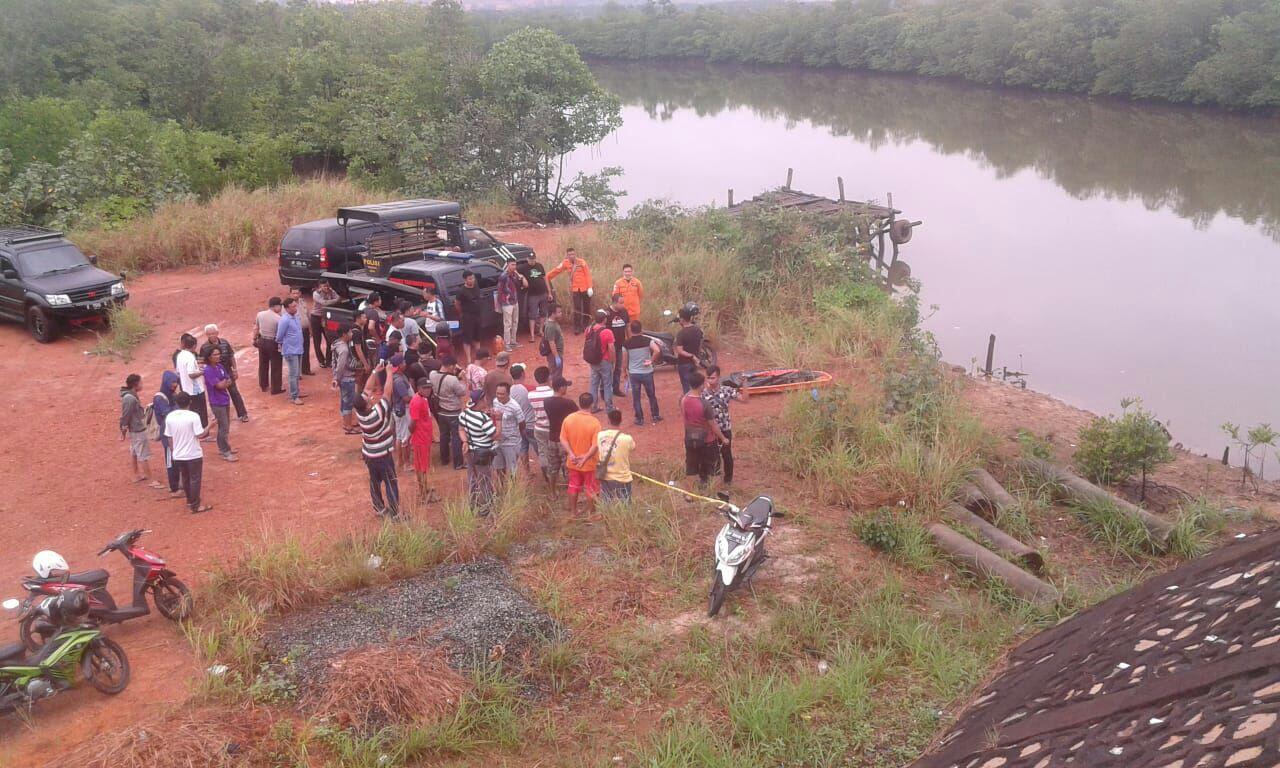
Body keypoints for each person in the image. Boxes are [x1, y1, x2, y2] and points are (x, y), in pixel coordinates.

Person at [355, 359, 400, 518]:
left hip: (369, 454)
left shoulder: (360, 413)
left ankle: (379, 509)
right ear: (367, 405)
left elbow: (367, 389)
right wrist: (388, 373)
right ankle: (395, 514)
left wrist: (375, 371)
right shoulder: (377, 413)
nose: (370, 396)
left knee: (374, 482)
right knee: (390, 482)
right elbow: (387, 393)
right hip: (382, 454)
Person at [165, 392, 212, 514]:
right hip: (193, 454)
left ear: (176, 403)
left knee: (185, 478)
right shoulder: (193, 416)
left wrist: (173, 450)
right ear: (189, 402)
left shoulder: (170, 417)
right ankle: (195, 506)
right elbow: (200, 434)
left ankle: (190, 501)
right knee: (195, 479)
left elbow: (169, 437)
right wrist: (210, 426)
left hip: (178, 454)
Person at [703, 365, 747, 486]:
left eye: (712, 378)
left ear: (718, 377)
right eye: (708, 378)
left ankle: (728, 480)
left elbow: (744, 399)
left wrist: (745, 384)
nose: (710, 381)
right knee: (713, 455)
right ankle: (714, 478)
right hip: (710, 430)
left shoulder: (726, 390)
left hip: (725, 428)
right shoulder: (703, 394)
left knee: (726, 455)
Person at [682, 370, 726, 489]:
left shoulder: (684, 400)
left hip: (690, 439)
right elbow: (713, 425)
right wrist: (723, 438)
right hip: (708, 440)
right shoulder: (705, 404)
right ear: (701, 385)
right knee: (715, 468)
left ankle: (689, 495)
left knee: (691, 468)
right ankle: (716, 495)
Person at [560, 392, 601, 517]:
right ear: (592, 404)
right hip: (589, 464)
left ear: (579, 403)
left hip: (573, 462)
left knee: (573, 486)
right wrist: (585, 458)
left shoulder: (568, 419)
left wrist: (571, 454)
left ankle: (573, 512)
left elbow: (563, 439)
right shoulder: (595, 423)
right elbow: (595, 445)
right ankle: (591, 513)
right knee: (591, 488)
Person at [119, 373, 161, 489]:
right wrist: (122, 431)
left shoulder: (129, 397)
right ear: (135, 384)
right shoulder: (130, 399)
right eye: (141, 382)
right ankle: (151, 479)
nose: (142, 385)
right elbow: (125, 416)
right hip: (137, 430)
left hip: (134, 429)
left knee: (134, 451)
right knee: (143, 454)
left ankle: (136, 474)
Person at [459, 393, 497, 515]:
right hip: (483, 452)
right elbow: (496, 435)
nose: (486, 400)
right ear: (480, 401)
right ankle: (486, 507)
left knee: (472, 477)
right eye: (484, 399)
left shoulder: (464, 414)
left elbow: (461, 429)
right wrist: (499, 421)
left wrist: (465, 441)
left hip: (470, 450)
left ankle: (473, 504)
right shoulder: (483, 419)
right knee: (485, 479)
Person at [200, 325, 248, 422]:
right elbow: (202, 361)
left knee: (234, 392)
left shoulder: (225, 343)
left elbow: (231, 357)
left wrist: (235, 370)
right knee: (215, 395)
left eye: (213, 333)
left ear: (217, 333)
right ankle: (218, 415)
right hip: (214, 374)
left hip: (227, 372)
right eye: (209, 334)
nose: (211, 336)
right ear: (206, 335)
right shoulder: (204, 347)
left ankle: (243, 414)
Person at [429, 355, 468, 470]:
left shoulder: (432, 374)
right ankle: (458, 463)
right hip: (454, 412)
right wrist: (461, 379)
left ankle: (444, 459)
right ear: (451, 366)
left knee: (444, 435)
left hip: (441, 411)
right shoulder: (453, 380)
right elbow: (462, 392)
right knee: (456, 437)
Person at [622, 320, 662, 425]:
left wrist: (624, 371)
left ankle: (639, 418)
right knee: (651, 395)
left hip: (634, 373)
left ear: (631, 330)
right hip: (647, 372)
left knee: (636, 397)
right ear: (641, 329)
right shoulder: (648, 340)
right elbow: (657, 350)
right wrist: (651, 361)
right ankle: (655, 415)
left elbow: (624, 359)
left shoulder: (626, 344)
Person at [202, 347, 238, 462]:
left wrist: (224, 382)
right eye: (215, 354)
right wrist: (224, 382)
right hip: (216, 402)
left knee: (225, 426)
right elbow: (220, 385)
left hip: (224, 400)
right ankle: (225, 451)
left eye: (218, 354)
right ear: (209, 357)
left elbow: (229, 380)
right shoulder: (208, 370)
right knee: (224, 427)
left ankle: (223, 447)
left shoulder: (220, 366)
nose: (218, 356)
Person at [542, 376, 577, 495]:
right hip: (565, 440)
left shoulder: (546, 402)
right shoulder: (568, 403)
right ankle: (571, 494)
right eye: (565, 386)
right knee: (568, 468)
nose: (566, 388)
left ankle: (552, 493)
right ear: (561, 388)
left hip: (552, 438)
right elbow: (576, 417)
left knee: (553, 468)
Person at [546, 247, 593, 333]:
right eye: (569, 254)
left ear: (575, 254)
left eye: (573, 254)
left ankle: (585, 326)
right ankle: (577, 327)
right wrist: (546, 276)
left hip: (585, 288)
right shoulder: (565, 263)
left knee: (587, 308)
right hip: (575, 289)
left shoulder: (582, 262)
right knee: (577, 308)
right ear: (567, 255)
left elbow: (588, 274)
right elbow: (556, 271)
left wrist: (590, 287)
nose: (572, 256)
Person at [408, 377, 439, 502]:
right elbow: (413, 422)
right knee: (422, 467)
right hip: (420, 439)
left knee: (423, 466)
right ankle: (423, 493)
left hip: (424, 438)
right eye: (425, 388)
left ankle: (425, 490)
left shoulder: (423, 399)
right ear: (418, 388)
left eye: (429, 387)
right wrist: (412, 435)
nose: (428, 390)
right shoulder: (417, 401)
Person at [153, 370, 182, 497]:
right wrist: (179, 406)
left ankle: (177, 483)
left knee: (177, 458)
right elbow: (168, 413)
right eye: (172, 382)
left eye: (176, 382)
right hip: (167, 434)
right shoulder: (160, 398)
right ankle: (174, 488)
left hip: (175, 432)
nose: (174, 384)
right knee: (171, 460)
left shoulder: (171, 394)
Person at [598, 410, 635, 502]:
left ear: (608, 420)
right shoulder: (627, 438)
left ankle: (609, 516)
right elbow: (633, 448)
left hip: (605, 476)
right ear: (621, 420)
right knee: (625, 503)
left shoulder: (600, 435)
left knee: (606, 502)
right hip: (623, 477)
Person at [490, 381, 526, 479]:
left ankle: (513, 490)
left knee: (511, 470)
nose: (499, 396)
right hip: (498, 440)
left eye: (502, 394)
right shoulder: (495, 401)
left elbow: (522, 423)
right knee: (499, 467)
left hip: (511, 443)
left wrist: (517, 437)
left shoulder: (515, 406)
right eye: (497, 393)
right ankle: (502, 490)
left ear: (508, 394)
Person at [584, 309, 616, 413]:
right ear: (604, 320)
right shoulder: (607, 332)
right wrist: (612, 362)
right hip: (605, 361)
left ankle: (593, 406)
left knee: (593, 384)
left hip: (593, 360)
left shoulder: (589, 329)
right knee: (607, 384)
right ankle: (609, 408)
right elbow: (611, 348)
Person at [330, 325, 360, 434]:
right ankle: (348, 426)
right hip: (346, 378)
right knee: (348, 402)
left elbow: (335, 364)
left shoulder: (337, 344)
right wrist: (337, 378)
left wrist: (336, 378)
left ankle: (346, 423)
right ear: (344, 334)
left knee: (344, 401)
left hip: (343, 378)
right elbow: (341, 366)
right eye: (350, 332)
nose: (351, 334)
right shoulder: (344, 349)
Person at [175, 333, 208, 428]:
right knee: (200, 412)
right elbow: (191, 374)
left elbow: (178, 371)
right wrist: (202, 371)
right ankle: (203, 432)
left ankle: (195, 430)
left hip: (186, 389)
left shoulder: (180, 355)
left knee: (192, 412)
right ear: (194, 345)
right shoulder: (190, 357)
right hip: (195, 390)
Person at [277, 296, 306, 405]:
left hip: (298, 349)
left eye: (295, 306)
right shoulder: (284, 320)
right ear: (287, 308)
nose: (295, 308)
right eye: (293, 306)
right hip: (290, 350)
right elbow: (279, 336)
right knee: (293, 374)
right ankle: (294, 396)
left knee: (297, 373)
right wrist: (284, 344)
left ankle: (297, 392)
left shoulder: (296, 317)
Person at [528, 366, 555, 480]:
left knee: (542, 452)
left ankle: (547, 476)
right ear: (548, 377)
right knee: (554, 453)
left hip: (538, 427)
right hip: (552, 428)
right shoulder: (552, 393)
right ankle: (555, 475)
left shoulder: (531, 395)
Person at [254, 296, 284, 395]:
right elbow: (280, 334)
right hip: (273, 342)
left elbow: (256, 328)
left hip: (262, 341)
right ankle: (276, 388)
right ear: (275, 306)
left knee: (263, 363)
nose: (280, 308)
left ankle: (263, 385)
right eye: (280, 306)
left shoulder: (260, 314)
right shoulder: (278, 318)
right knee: (276, 365)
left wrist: (254, 339)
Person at [453, 271, 485, 363]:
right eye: (470, 279)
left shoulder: (476, 286)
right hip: (467, 317)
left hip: (477, 316)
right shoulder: (461, 291)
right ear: (465, 280)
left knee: (477, 337)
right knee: (467, 338)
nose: (472, 280)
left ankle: (478, 357)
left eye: (473, 278)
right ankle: (468, 359)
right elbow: (457, 303)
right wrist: (462, 313)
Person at [389, 354, 414, 469]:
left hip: (399, 410)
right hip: (404, 410)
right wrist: (417, 398)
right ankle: (406, 464)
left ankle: (400, 461)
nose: (405, 364)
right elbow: (406, 398)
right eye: (403, 362)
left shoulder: (396, 376)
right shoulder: (398, 380)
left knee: (400, 437)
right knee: (405, 438)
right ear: (399, 365)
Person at [311, 278, 341, 368]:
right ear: (320, 287)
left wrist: (333, 300)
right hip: (316, 318)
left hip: (327, 318)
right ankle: (321, 361)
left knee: (329, 339)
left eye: (327, 285)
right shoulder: (316, 293)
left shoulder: (331, 291)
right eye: (324, 286)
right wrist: (334, 301)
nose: (326, 287)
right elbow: (324, 303)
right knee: (317, 341)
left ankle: (328, 361)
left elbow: (338, 298)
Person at [497, 260, 528, 348]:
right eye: (512, 265)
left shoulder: (514, 275)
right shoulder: (503, 276)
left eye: (515, 265)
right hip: (507, 303)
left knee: (515, 322)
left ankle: (513, 341)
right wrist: (503, 302)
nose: (514, 267)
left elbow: (522, 285)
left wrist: (519, 276)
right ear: (507, 265)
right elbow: (499, 290)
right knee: (507, 324)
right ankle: (507, 344)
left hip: (514, 301)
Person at [519, 252, 549, 341]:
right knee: (533, 315)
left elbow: (545, 278)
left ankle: (540, 331)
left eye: (533, 259)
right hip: (533, 295)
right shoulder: (523, 267)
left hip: (543, 293)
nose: (532, 261)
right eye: (530, 259)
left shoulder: (539, 265)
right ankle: (532, 335)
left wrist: (549, 291)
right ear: (527, 259)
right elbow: (515, 271)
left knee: (543, 312)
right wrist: (522, 277)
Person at [510, 364, 535, 472]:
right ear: (522, 374)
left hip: (518, 425)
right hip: (530, 424)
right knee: (540, 450)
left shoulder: (509, 390)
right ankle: (547, 475)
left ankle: (527, 472)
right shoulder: (528, 389)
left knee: (523, 449)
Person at [675, 305, 705, 395]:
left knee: (686, 387)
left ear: (683, 319)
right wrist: (696, 356)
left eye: (680, 318)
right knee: (695, 385)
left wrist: (691, 356)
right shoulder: (698, 330)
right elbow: (700, 344)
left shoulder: (681, 334)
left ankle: (688, 404)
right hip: (694, 363)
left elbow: (680, 351)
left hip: (684, 363)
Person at [288, 287, 315, 376]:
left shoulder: (302, 302)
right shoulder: (287, 305)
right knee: (297, 352)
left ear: (300, 294)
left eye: (297, 293)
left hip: (305, 330)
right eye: (293, 293)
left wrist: (310, 329)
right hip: (295, 332)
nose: (295, 295)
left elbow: (308, 316)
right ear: (290, 294)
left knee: (306, 350)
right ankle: (297, 372)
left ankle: (306, 369)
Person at [606, 294, 630, 395]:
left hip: (621, 344)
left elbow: (627, 326)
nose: (623, 305)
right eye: (621, 303)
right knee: (608, 367)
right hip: (610, 346)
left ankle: (615, 389)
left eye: (623, 302)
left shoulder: (624, 312)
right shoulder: (607, 313)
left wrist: (629, 340)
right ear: (614, 303)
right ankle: (606, 390)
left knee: (618, 367)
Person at [542, 304, 565, 378]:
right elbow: (551, 342)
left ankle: (558, 385)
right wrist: (556, 356)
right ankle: (555, 388)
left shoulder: (553, 322)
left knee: (558, 372)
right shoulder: (550, 326)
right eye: (559, 312)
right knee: (555, 373)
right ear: (553, 313)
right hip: (554, 354)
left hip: (557, 353)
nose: (561, 313)